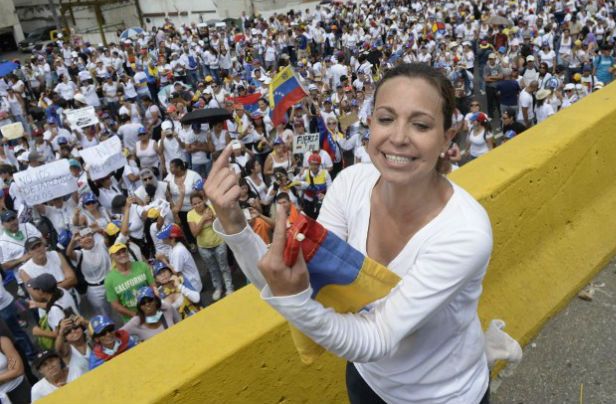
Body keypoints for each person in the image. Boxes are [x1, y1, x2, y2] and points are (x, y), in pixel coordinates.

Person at [206, 63, 493, 403]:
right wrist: (235, 225)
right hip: (366, 380)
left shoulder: (464, 232)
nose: (398, 137)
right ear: (369, 124)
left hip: (442, 395)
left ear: (447, 136)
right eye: (386, 119)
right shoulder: (350, 184)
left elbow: (377, 337)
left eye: (420, 124)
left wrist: (294, 300)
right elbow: (292, 281)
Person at [186, 193, 233, 299]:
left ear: (203, 201)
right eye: (194, 204)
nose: (197, 205)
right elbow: (194, 233)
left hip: (219, 242)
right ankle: (218, 288)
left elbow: (222, 223)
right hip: (204, 247)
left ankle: (229, 287)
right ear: (191, 205)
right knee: (213, 269)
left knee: (224, 266)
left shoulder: (211, 208)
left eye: (199, 202)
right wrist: (203, 219)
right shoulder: (190, 215)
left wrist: (213, 218)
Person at [104, 243, 154, 322]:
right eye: (118, 254)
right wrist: (133, 315)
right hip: (132, 319)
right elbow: (115, 305)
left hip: (152, 312)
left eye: (124, 252)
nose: (122, 255)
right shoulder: (109, 280)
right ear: (112, 257)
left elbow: (153, 287)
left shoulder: (142, 266)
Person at [0, 319, 31, 403]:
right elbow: (13, 372)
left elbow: (18, 370)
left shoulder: (3, 341)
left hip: (18, 389)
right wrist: (8, 374)